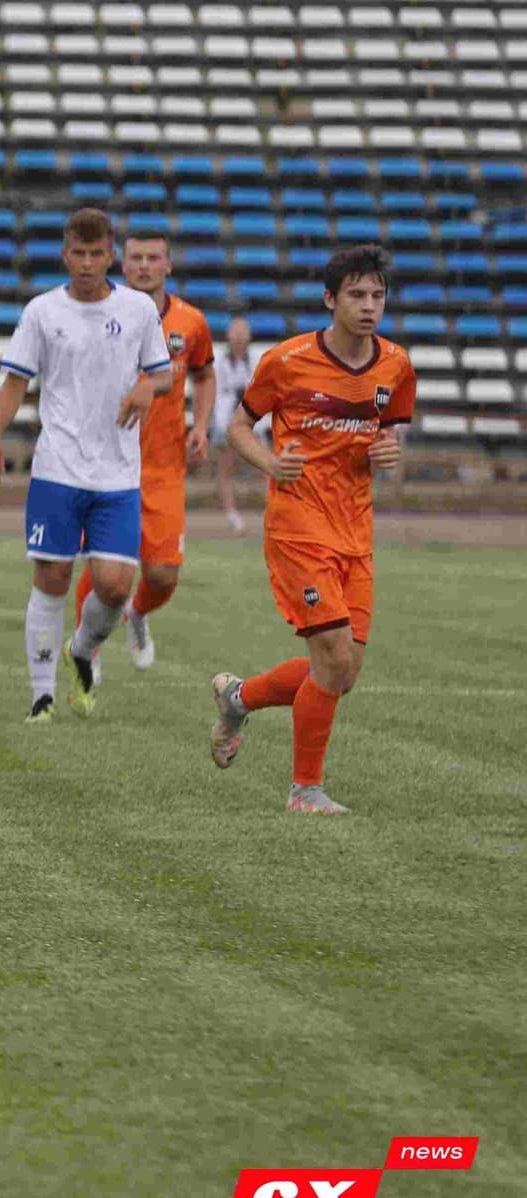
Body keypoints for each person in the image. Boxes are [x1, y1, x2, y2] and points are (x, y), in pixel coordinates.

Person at [209, 244, 414, 814]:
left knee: (342, 671)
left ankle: (238, 697)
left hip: (356, 528)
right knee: (332, 656)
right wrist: (271, 463)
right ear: (330, 299)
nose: (369, 305)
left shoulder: (396, 365)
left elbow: (388, 437)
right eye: (357, 294)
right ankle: (305, 791)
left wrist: (388, 451)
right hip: (298, 524)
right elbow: (239, 427)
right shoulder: (287, 360)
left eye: (377, 295)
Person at [0, 209, 174, 723]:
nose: (87, 263)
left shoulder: (137, 310)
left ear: (111, 257)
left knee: (115, 585)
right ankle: (41, 698)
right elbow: (16, 380)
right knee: (52, 577)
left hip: (117, 474)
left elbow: (164, 374)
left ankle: (82, 650)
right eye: (79, 253)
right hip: (57, 468)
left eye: (96, 254)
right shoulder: (42, 312)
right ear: (65, 255)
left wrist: (147, 386)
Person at [72, 230, 216, 673]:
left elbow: (204, 375)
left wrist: (201, 425)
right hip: (106, 464)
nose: (144, 266)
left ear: (168, 265)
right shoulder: (96, 316)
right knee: (105, 570)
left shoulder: (191, 323)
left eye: (154, 258)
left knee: (162, 576)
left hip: (164, 467)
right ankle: (87, 651)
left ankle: (137, 614)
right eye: (136, 257)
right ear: (123, 263)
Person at [210, 317, 258, 533]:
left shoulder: (255, 360)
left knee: (266, 464)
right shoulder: (218, 362)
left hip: (252, 423)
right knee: (225, 468)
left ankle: (273, 509)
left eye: (242, 332)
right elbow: (216, 392)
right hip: (225, 422)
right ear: (228, 335)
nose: (238, 337)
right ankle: (231, 514)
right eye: (235, 332)